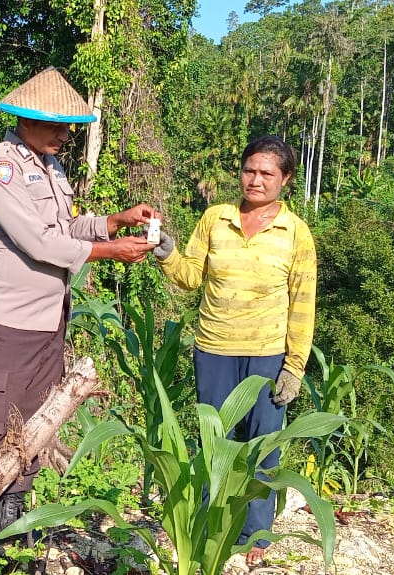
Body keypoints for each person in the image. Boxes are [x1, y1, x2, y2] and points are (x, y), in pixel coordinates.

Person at [0, 67, 158, 558]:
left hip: (49, 320)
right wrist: (110, 252)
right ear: (27, 120)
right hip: (10, 321)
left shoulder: (50, 167)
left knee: (31, 425)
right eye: (57, 126)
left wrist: (113, 222)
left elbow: (66, 226)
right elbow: (38, 242)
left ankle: (14, 523)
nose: (66, 136)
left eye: (70, 127)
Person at [152, 135, 317, 566]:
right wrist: (168, 253)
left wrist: (294, 366)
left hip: (267, 355)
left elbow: (302, 302)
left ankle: (256, 535)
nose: (255, 180)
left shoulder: (295, 233)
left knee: (262, 444)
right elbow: (191, 277)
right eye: (249, 170)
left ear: (286, 180)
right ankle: (209, 523)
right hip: (214, 349)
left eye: (266, 173)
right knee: (216, 440)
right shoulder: (215, 219)